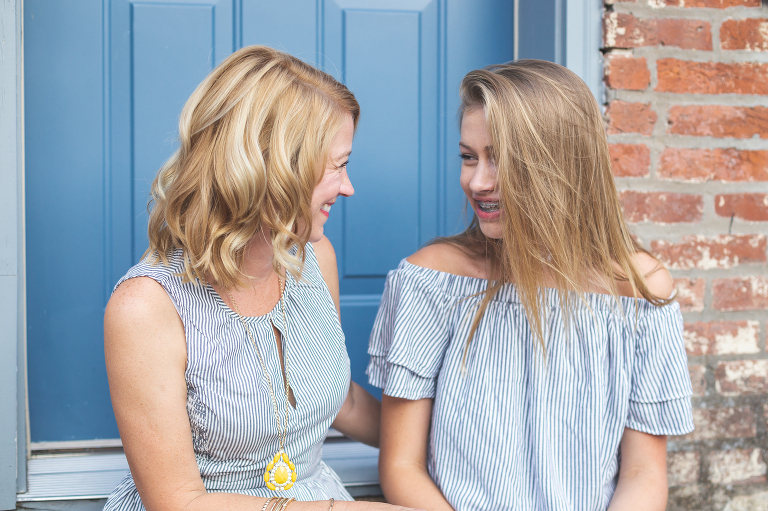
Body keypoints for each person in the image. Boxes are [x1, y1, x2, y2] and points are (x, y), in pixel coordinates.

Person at [368, 60, 694, 511]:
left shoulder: (639, 289)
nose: (476, 181)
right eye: (468, 156)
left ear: (562, 163)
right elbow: (402, 466)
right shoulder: (431, 282)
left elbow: (643, 473)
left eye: (500, 157)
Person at [104, 45, 420, 511]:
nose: (348, 186)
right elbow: (177, 502)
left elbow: (342, 401)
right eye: (338, 165)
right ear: (271, 169)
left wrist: (434, 442)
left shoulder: (314, 258)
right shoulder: (146, 308)